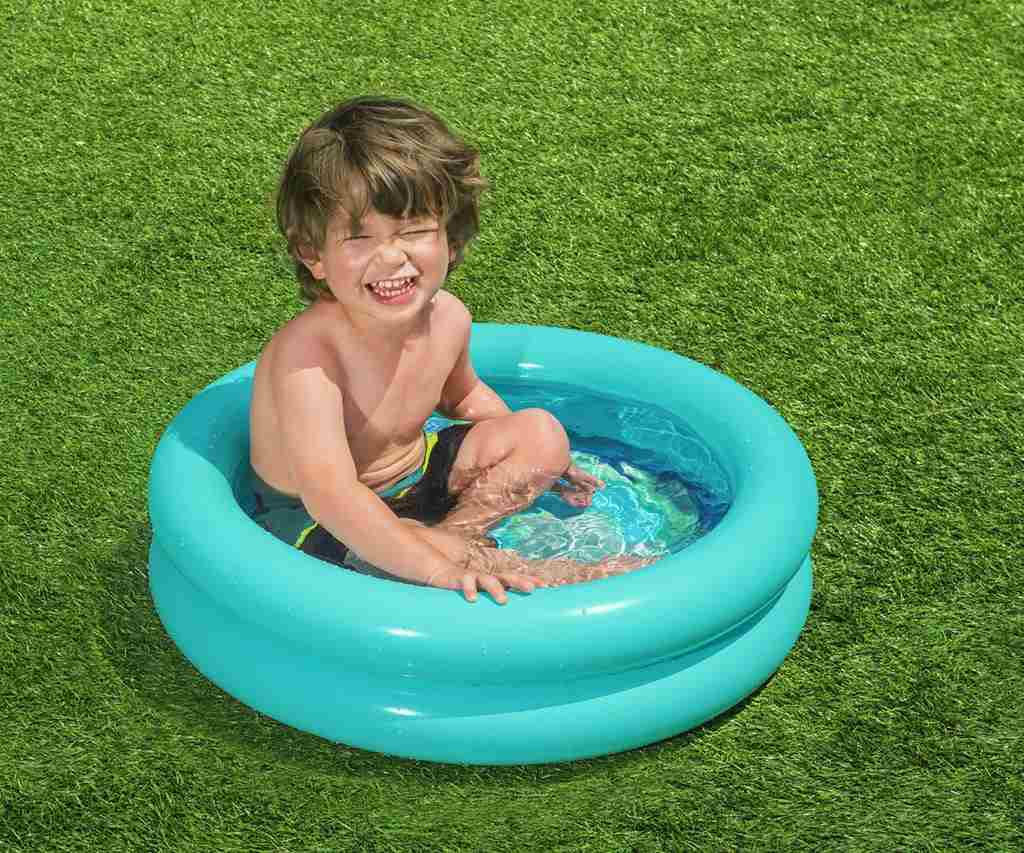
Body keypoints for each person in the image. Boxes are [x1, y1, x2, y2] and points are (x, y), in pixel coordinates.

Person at [248, 96, 652, 604]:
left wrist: (541, 465)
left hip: (416, 477)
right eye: (359, 238)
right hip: (322, 518)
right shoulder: (307, 358)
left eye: (413, 230)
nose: (390, 257)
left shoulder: (448, 319)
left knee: (542, 433)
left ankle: (457, 534)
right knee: (407, 546)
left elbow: (463, 398)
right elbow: (331, 494)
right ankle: (540, 573)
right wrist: (436, 570)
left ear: (451, 239)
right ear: (314, 254)